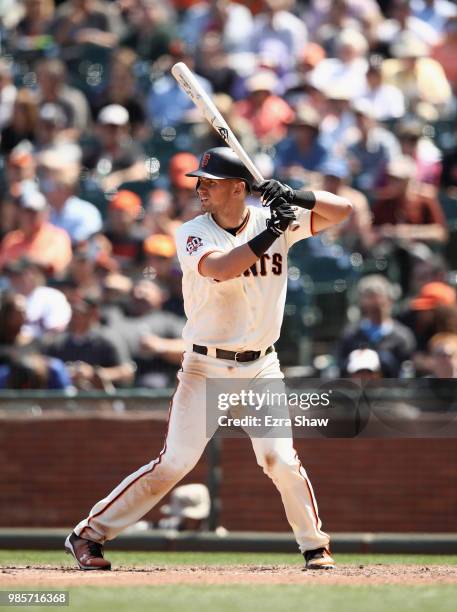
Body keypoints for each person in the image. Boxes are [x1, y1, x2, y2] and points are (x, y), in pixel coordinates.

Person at [64, 146, 352, 571]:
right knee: (175, 463)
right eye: (200, 182)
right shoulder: (193, 232)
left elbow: (342, 210)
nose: (201, 189)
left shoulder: (271, 216)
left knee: (280, 459)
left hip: (260, 366)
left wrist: (294, 195)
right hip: (205, 365)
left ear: (240, 188)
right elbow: (222, 268)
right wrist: (273, 230)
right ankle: (87, 534)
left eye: (211, 183)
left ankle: (314, 546)